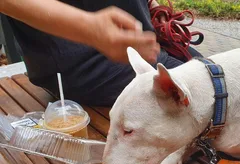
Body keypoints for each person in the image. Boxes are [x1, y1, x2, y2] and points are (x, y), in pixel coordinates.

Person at [0, 0, 202, 106]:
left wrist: (151, 7)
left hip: (144, 43)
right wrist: (89, 29)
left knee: (210, 68)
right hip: (87, 59)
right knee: (207, 89)